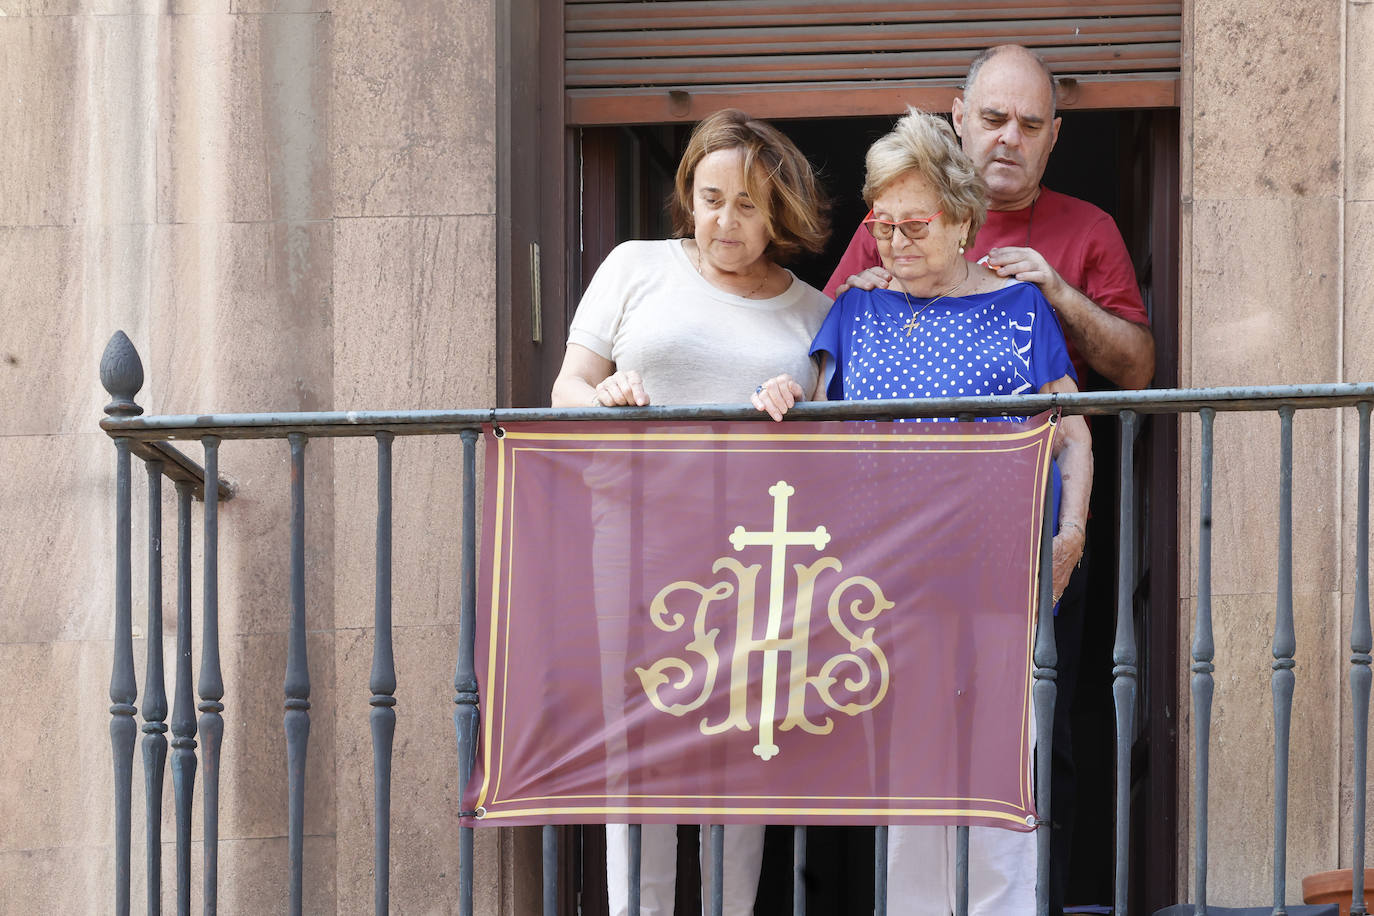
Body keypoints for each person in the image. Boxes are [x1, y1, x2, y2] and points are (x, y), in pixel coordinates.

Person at [822, 46, 1152, 912]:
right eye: (993, 118)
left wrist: (1053, 293)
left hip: (1021, 545)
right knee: (909, 770)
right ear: (959, 116)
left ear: (1052, 138)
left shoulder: (1083, 234)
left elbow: (1134, 368)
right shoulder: (876, 261)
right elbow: (828, 366)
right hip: (896, 568)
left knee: (1032, 753)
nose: (1008, 138)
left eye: (1029, 124)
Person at [760, 106, 1092, 915]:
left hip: (996, 578)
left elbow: (1073, 434)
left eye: (916, 225)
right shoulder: (856, 310)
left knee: (997, 786)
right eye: (884, 226)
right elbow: (802, 404)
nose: (897, 245)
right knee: (912, 799)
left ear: (962, 219)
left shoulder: (1020, 311)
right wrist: (779, 392)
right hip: (888, 591)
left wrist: (1072, 533)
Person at [550, 108, 832, 916]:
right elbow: (567, 386)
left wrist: (798, 401)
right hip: (633, 541)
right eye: (711, 199)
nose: (725, 221)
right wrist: (603, 396)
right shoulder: (636, 267)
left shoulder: (812, 312)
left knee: (740, 749)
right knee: (636, 747)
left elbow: (829, 429)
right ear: (688, 196)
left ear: (776, 209)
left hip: (754, 555)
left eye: (747, 204)